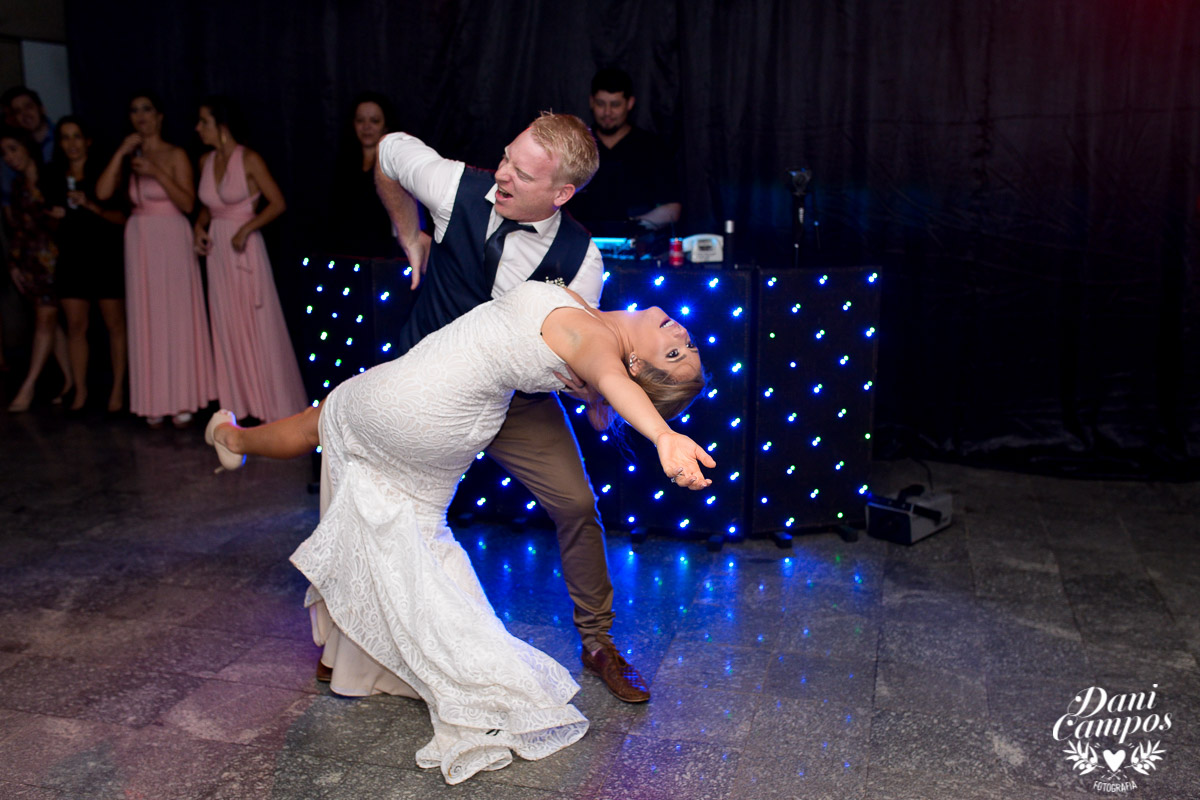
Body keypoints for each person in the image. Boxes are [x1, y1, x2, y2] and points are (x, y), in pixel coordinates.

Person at [205, 278, 710, 783]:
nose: (682, 336)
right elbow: (596, 372)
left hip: (418, 399)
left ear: (636, 366)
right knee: (383, 494)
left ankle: (231, 438)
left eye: (674, 353)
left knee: (331, 419)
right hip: (451, 423)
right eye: (687, 346)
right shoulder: (592, 323)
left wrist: (663, 435)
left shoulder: (594, 341)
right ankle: (234, 441)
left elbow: (609, 375)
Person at [372, 112, 654, 703]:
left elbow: (574, 348)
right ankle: (361, 643)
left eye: (522, 175)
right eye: (506, 158)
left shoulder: (582, 261)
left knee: (577, 503)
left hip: (513, 399)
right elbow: (390, 150)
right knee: (379, 503)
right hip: (423, 385)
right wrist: (409, 233)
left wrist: (593, 386)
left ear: (561, 193)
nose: (501, 175)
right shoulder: (457, 186)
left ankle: (598, 642)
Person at [96, 92, 216, 428]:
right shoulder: (129, 155)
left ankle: (183, 397)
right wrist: (121, 152)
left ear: (159, 116)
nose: (141, 116)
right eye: (134, 111)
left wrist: (156, 171)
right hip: (140, 238)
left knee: (175, 313)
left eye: (146, 110)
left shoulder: (175, 154)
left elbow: (188, 203)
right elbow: (102, 193)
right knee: (146, 314)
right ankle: (154, 398)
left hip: (171, 236)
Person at [193, 96, 306, 423]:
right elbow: (210, 206)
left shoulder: (249, 159)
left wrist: (247, 228)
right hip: (217, 253)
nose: (198, 128)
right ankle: (238, 405)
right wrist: (198, 227)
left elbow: (277, 202)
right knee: (226, 324)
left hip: (245, 251)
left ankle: (269, 404)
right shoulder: (205, 161)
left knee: (255, 323)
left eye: (204, 122)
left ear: (222, 126)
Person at [46, 116, 128, 413]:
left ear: (88, 141)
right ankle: (80, 390)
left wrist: (90, 205)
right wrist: (54, 218)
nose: (72, 144)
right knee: (76, 326)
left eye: (77, 136)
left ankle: (118, 389)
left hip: (104, 255)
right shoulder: (53, 176)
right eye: (65, 137)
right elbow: (49, 223)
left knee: (114, 324)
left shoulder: (104, 175)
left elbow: (122, 218)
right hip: (72, 258)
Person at [1, 126, 71, 412]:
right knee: (50, 323)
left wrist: (58, 216)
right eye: (4, 153)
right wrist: (14, 264)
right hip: (31, 261)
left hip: (54, 259)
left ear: (27, 147)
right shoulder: (17, 186)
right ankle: (70, 382)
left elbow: (62, 216)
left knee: (45, 320)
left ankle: (28, 386)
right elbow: (18, 229)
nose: (9, 157)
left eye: (13, 149)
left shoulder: (50, 175)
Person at [568, 68, 682, 237]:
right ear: (591, 102)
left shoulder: (651, 147)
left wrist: (629, 228)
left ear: (630, 103)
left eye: (615, 105)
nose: (607, 112)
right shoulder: (576, 146)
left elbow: (672, 209)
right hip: (580, 242)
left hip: (637, 243)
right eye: (600, 104)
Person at [328, 91, 403, 256]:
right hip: (347, 253)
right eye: (360, 120)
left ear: (386, 126)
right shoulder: (344, 165)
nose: (366, 127)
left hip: (385, 255)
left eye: (374, 121)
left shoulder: (395, 165)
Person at [1, 87, 55, 205]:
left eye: (28, 107)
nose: (24, 114)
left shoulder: (62, 138)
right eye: (18, 111)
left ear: (41, 109)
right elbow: (7, 199)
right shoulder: (12, 150)